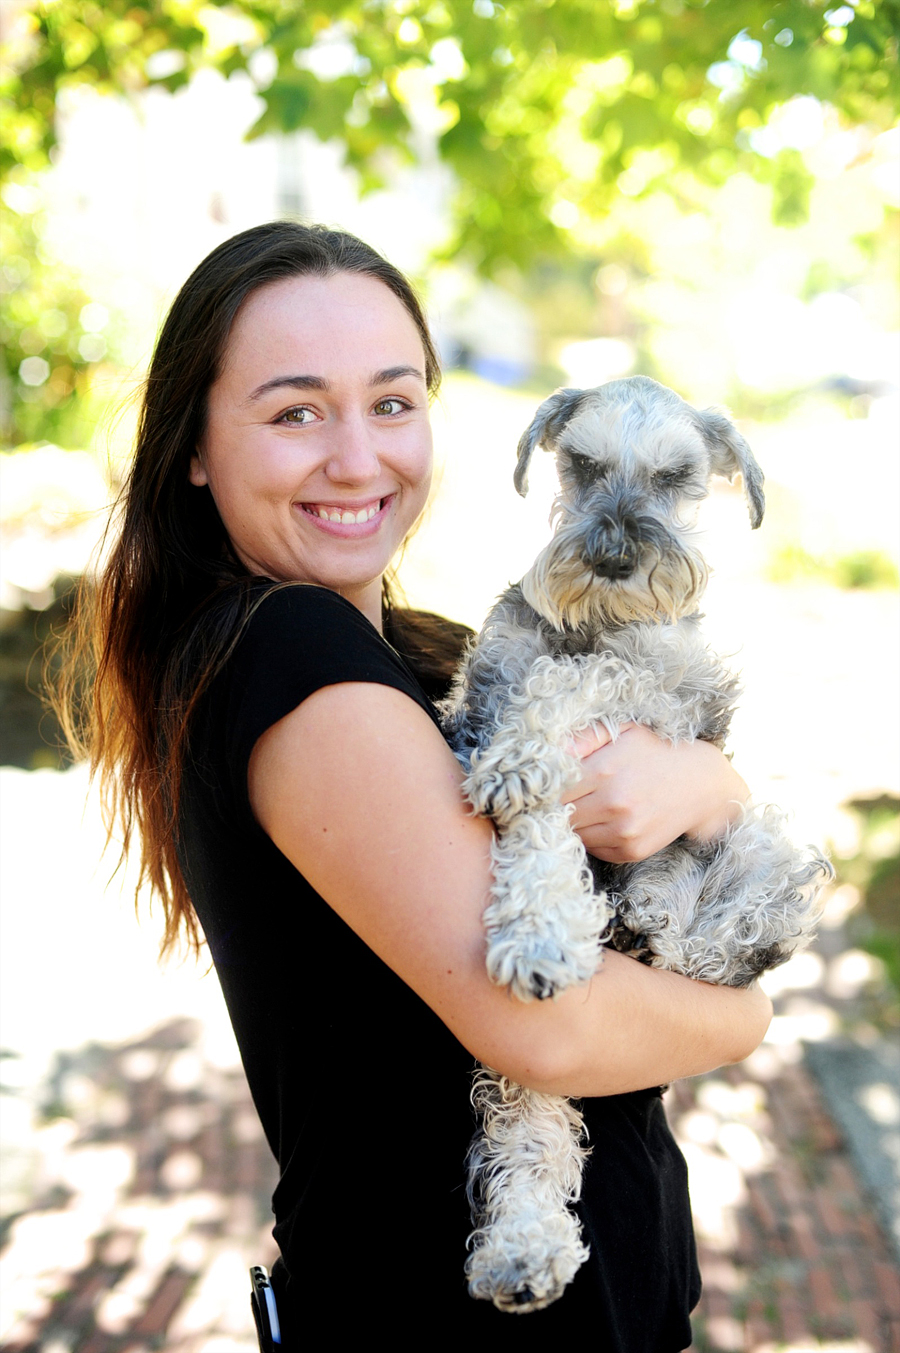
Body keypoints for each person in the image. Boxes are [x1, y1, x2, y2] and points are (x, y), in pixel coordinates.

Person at [57, 221, 771, 1347]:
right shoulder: (291, 653)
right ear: (194, 447)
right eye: (295, 412)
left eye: (392, 403)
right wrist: (746, 1016)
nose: (358, 458)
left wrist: (705, 783)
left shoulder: (423, 656)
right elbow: (551, 1032)